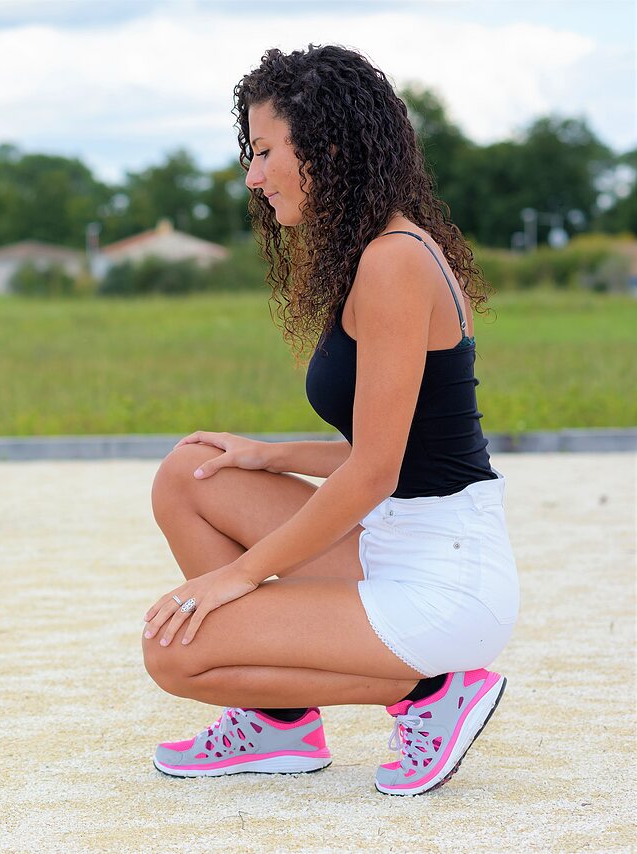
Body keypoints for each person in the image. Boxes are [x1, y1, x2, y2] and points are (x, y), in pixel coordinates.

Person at [140, 45, 519, 796]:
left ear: (328, 148)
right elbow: (391, 448)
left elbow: (377, 470)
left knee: (175, 652)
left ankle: (433, 694)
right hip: (398, 540)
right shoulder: (373, 252)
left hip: (443, 577)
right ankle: (281, 725)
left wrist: (237, 581)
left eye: (265, 151)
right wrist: (267, 454)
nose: (252, 175)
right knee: (191, 472)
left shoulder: (394, 261)